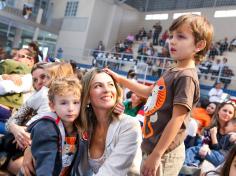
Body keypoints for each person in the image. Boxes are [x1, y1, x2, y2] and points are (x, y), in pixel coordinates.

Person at [104, 14, 213, 176]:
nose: (172, 41)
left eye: (181, 37)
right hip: (154, 148)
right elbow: (148, 92)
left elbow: (177, 119)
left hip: (165, 153)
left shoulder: (186, 77)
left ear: (199, 45)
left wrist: (157, 154)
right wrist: (120, 79)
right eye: (171, 36)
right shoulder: (173, 70)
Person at [0, 62, 74, 175]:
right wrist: (17, 129)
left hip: (41, 143)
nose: (41, 81)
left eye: (45, 77)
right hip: (25, 136)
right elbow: (13, 121)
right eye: (35, 79)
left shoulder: (63, 99)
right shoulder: (41, 94)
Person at [77, 68, 142, 175]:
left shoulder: (129, 125)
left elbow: (112, 172)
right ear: (87, 97)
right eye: (98, 86)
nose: (107, 90)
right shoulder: (84, 124)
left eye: (111, 85)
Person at [19, 76, 87, 175]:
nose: (71, 108)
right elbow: (45, 164)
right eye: (63, 103)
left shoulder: (78, 125)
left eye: (76, 102)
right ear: (52, 106)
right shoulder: (46, 128)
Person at [184, 102, 236, 168]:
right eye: (224, 110)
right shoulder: (209, 128)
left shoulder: (232, 132)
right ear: (218, 111)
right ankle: (192, 164)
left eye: (230, 112)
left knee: (195, 149)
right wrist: (205, 144)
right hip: (208, 154)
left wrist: (213, 136)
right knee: (199, 144)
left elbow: (221, 152)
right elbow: (205, 145)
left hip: (222, 159)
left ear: (233, 116)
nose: (227, 114)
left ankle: (186, 165)